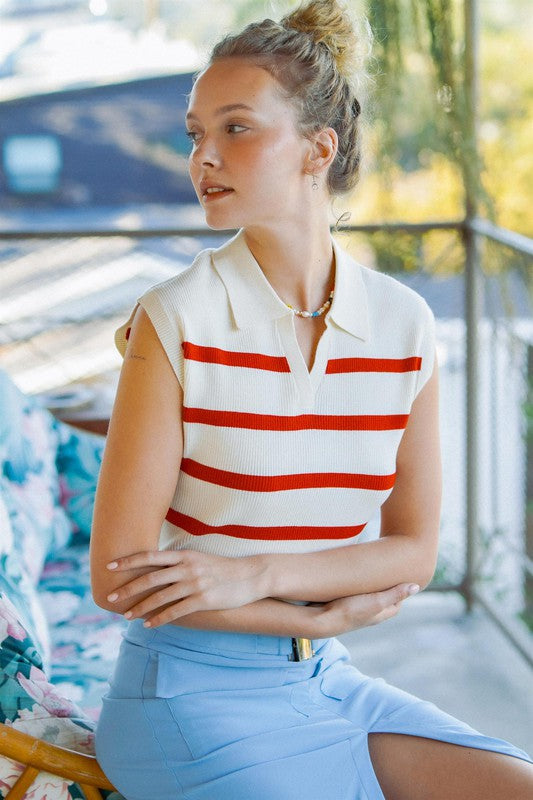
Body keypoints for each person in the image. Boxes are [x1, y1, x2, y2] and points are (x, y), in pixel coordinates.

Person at [91, 1, 533, 797]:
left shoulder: (403, 323)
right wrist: (313, 614)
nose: (204, 158)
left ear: (317, 149)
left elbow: (410, 552)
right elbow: (121, 580)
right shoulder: (175, 319)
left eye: (236, 128)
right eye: (195, 134)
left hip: (328, 684)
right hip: (186, 698)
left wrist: (254, 575)